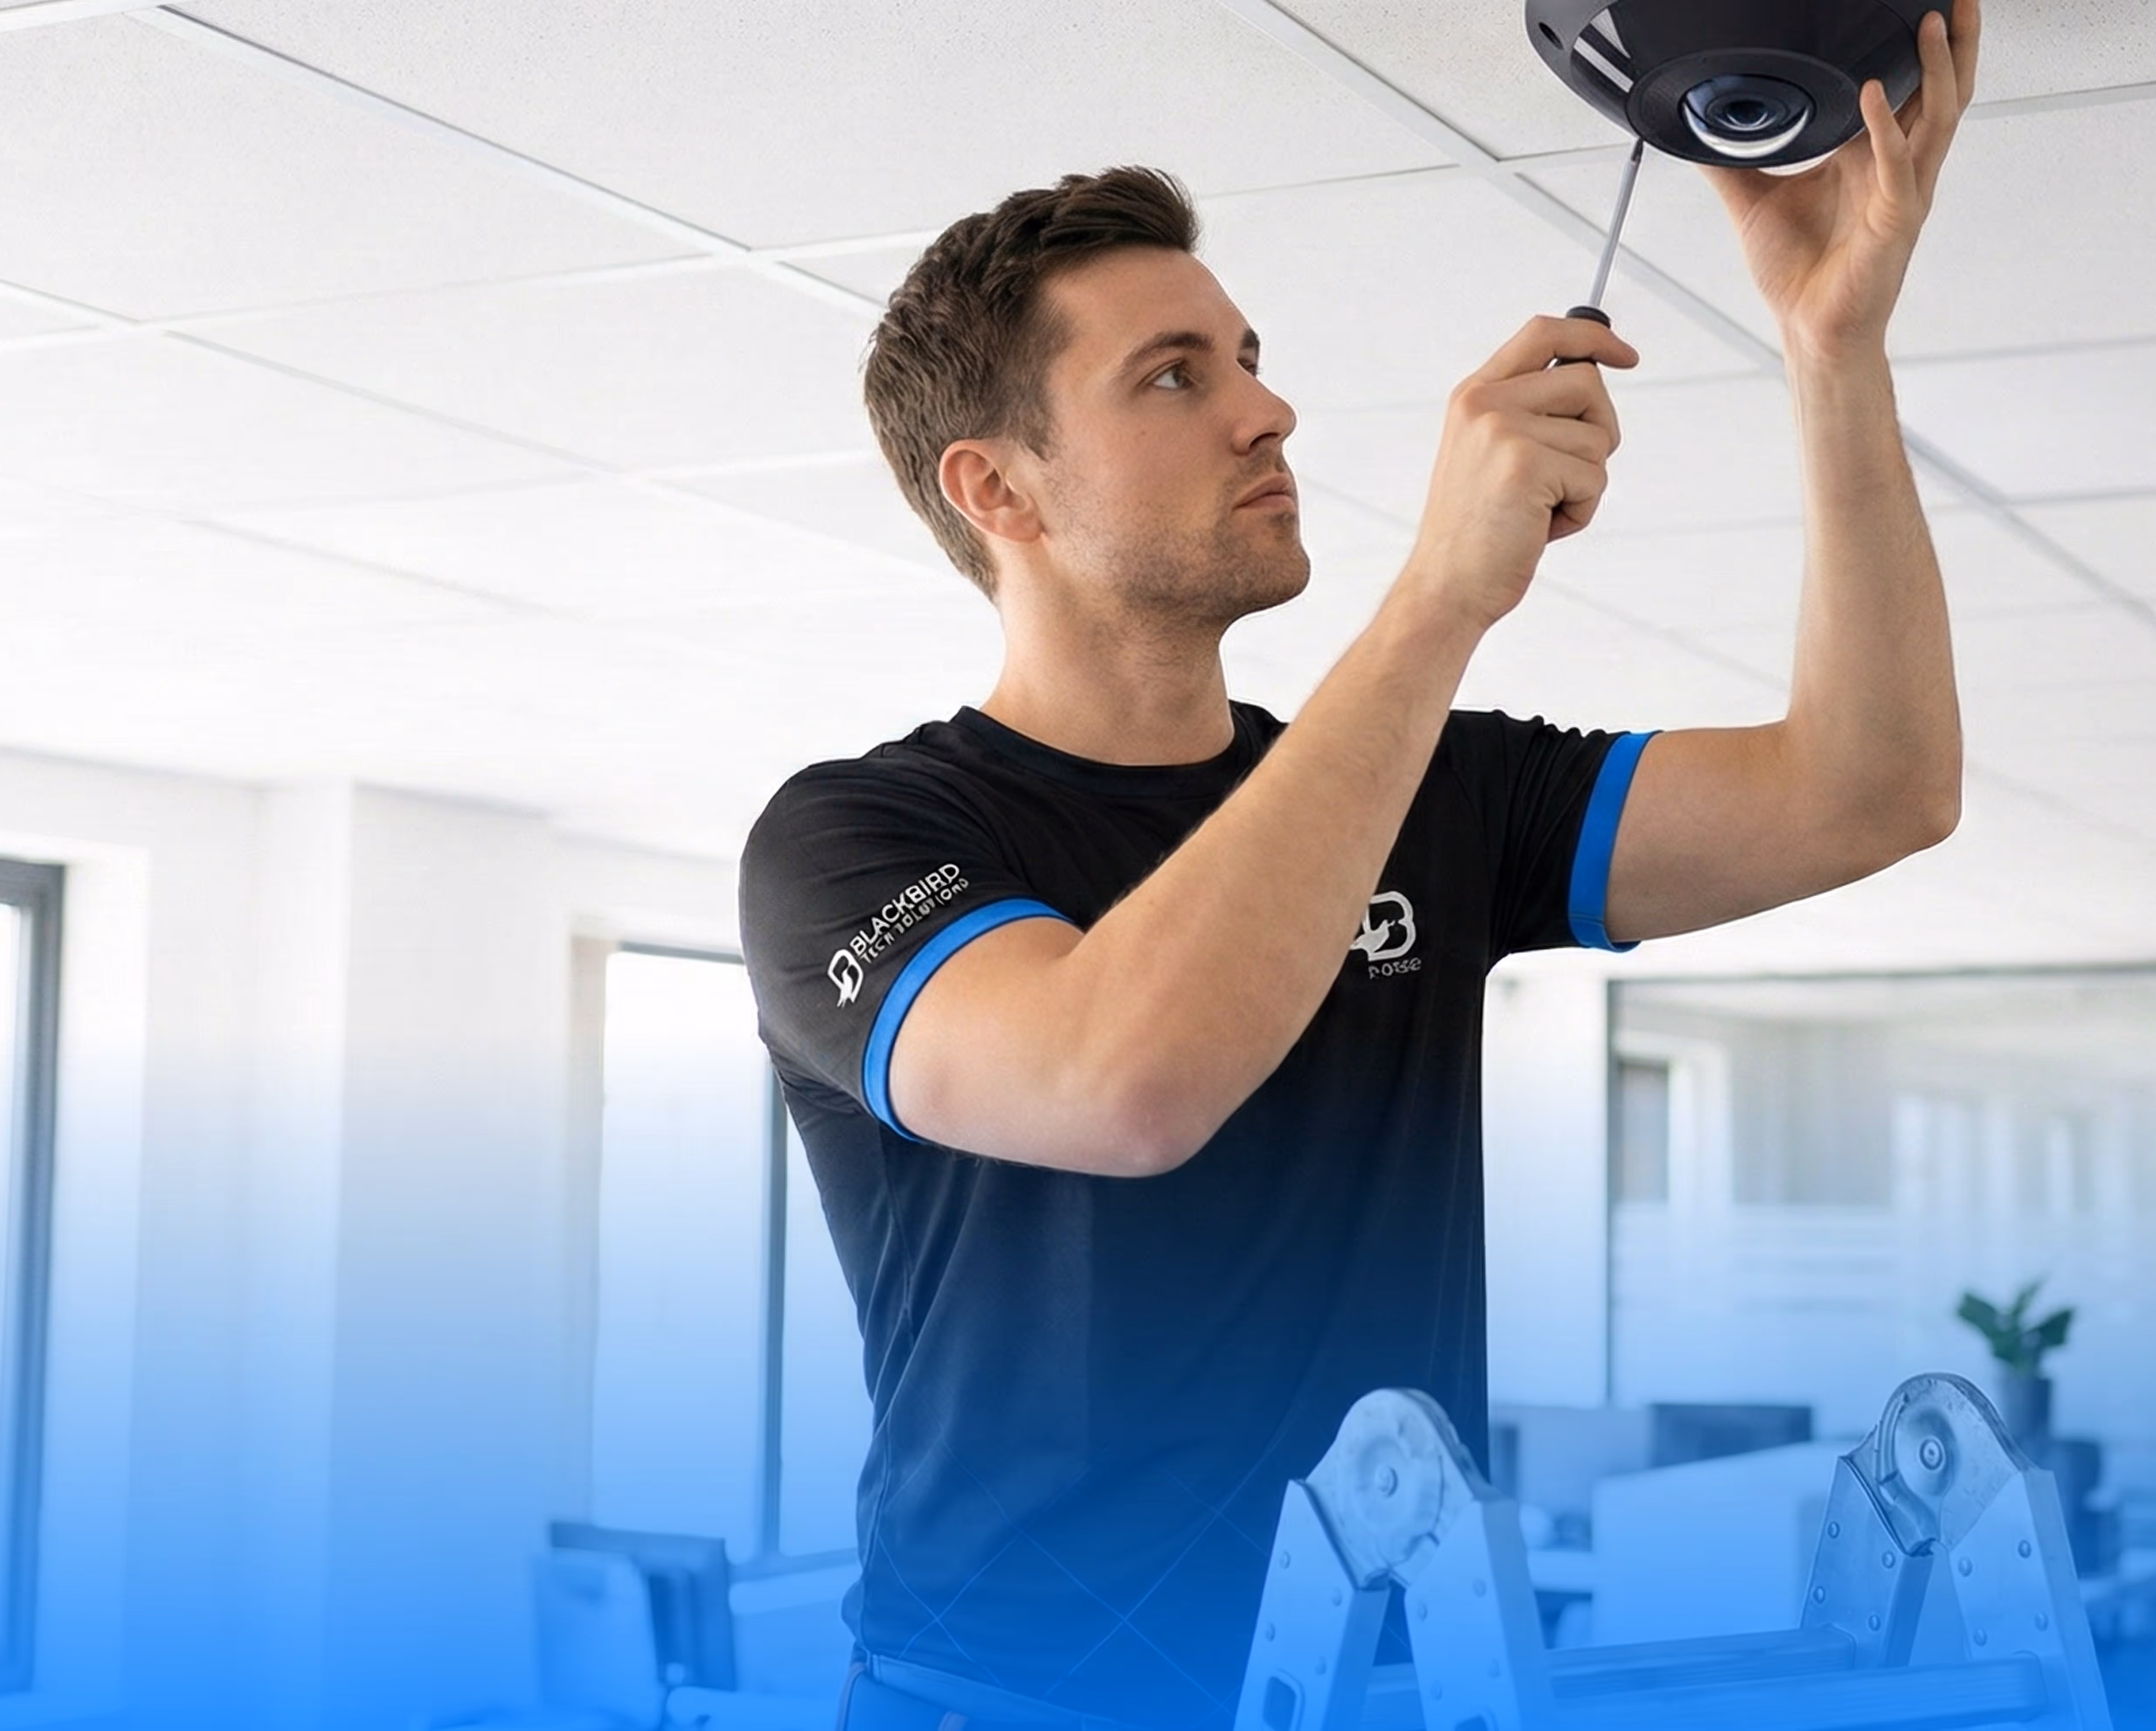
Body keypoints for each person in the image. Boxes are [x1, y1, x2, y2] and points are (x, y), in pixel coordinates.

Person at [739, 6, 1979, 1725]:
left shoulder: (1437, 792)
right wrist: (1434, 600)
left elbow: (1875, 786)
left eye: (1246, 354)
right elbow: (1121, 1083)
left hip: (1369, 1678)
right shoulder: (855, 841)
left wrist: (1830, 344)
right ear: (993, 489)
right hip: (1001, 1693)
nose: (1268, 410)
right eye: (1174, 375)